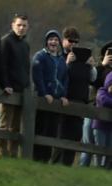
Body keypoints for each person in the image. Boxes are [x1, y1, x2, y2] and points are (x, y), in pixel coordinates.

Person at [51, 27, 97, 166]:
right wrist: (67, 63)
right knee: (61, 135)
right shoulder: (58, 57)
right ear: (63, 41)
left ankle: (67, 165)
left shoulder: (83, 59)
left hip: (80, 101)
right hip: (64, 101)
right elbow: (54, 76)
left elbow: (93, 80)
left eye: (76, 42)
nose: (73, 44)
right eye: (70, 41)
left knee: (75, 136)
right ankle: (55, 164)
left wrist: (92, 66)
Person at [31, 29, 69, 163]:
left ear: (59, 43)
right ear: (46, 41)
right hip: (43, 99)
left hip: (56, 100)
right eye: (51, 39)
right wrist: (44, 93)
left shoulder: (61, 60)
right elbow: (38, 77)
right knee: (40, 128)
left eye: (56, 40)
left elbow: (65, 78)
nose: (53, 42)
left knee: (52, 131)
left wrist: (64, 95)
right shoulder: (40, 56)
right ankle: (35, 159)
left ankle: (45, 160)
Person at [0, 14, 30, 158]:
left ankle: (13, 155)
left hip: (21, 90)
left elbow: (26, 68)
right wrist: (5, 84)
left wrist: (28, 86)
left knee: (16, 126)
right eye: (19, 25)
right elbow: (1, 65)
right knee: (4, 124)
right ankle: (1, 154)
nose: (21, 28)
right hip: (8, 90)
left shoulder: (25, 44)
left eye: (24, 26)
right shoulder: (6, 41)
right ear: (13, 25)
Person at [80, 42, 112, 167]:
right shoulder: (99, 69)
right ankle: (83, 168)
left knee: (104, 148)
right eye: (109, 53)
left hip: (108, 113)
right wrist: (102, 65)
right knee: (88, 144)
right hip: (93, 108)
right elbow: (92, 81)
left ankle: (100, 170)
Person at [92, 72, 112, 168]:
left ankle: (107, 170)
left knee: (109, 150)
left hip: (110, 128)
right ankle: (97, 168)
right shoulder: (101, 91)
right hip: (100, 126)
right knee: (99, 150)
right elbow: (104, 101)